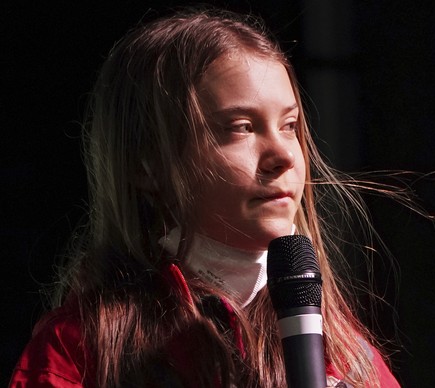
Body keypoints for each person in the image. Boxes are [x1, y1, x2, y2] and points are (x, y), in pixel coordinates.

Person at [10, 7, 406, 387]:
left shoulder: (347, 354)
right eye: (242, 127)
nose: (284, 156)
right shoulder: (80, 350)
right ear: (147, 166)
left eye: (289, 126)